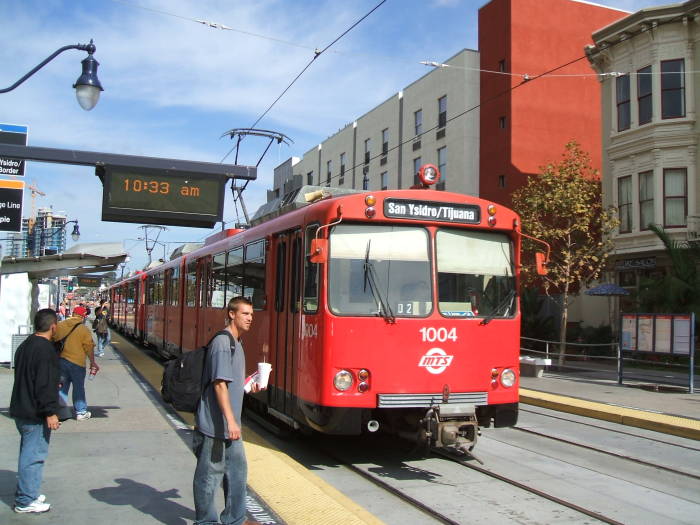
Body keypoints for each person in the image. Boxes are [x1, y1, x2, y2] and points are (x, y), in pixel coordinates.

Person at [193, 296, 262, 525]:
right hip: (216, 425)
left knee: (237, 474)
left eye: (251, 314)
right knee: (209, 477)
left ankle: (235, 518)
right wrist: (231, 421)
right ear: (232, 314)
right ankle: (206, 521)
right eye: (245, 314)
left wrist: (248, 385)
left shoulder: (237, 342)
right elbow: (219, 384)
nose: (250, 318)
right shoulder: (223, 343)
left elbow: (230, 383)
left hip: (231, 427)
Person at [10, 308, 61, 514]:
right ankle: (25, 500)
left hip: (21, 408)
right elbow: (44, 384)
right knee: (33, 456)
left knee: (28, 453)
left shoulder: (26, 345)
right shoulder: (45, 350)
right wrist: (50, 411)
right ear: (53, 326)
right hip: (35, 412)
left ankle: (28, 491)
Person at [54, 305, 99, 420]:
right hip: (77, 363)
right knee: (78, 387)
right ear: (83, 316)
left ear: (73, 313)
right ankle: (81, 411)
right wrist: (93, 362)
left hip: (62, 361)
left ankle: (60, 412)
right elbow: (88, 347)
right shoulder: (83, 329)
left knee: (62, 387)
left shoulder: (61, 325)